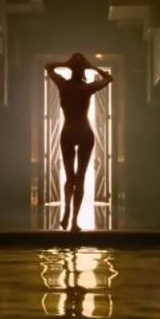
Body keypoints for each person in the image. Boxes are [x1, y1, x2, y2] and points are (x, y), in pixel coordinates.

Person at [45, 53, 113, 232]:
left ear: (71, 68)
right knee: (80, 178)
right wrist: (93, 66)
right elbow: (109, 78)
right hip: (84, 132)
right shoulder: (86, 88)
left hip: (68, 132)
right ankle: (74, 221)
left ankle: (67, 211)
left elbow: (47, 66)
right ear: (83, 69)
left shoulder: (63, 84)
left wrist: (65, 63)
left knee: (70, 177)